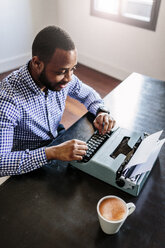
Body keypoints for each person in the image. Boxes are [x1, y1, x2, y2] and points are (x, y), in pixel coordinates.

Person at [0, 26, 115, 176]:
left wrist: (101, 111)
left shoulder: (65, 78)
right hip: (27, 160)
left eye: (73, 69)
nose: (69, 78)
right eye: (61, 72)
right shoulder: (7, 100)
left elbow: (88, 94)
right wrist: (52, 152)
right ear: (37, 63)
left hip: (57, 138)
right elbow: (1, 163)